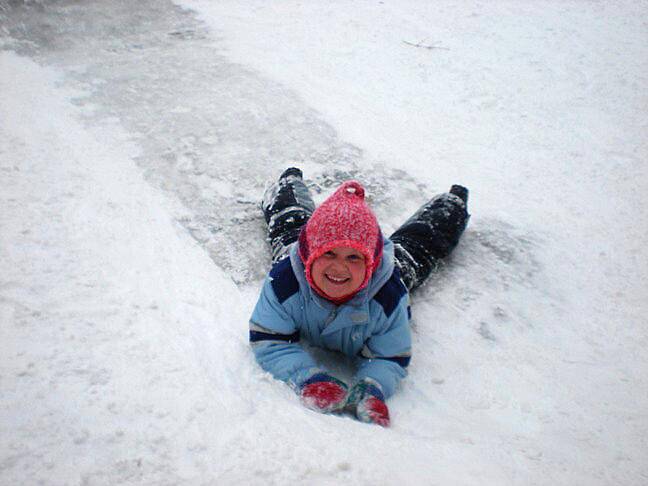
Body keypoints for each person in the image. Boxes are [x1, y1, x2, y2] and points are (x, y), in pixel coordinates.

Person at [249, 168, 469, 426]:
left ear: (372, 264)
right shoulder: (286, 281)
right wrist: (307, 377)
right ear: (309, 255)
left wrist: (374, 386)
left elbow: (389, 356)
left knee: (419, 247)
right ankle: (288, 183)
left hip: (380, 274)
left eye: (353, 257)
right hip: (302, 253)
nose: (339, 268)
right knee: (289, 222)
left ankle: (451, 204)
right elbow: (269, 339)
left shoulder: (388, 295)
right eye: (329, 254)